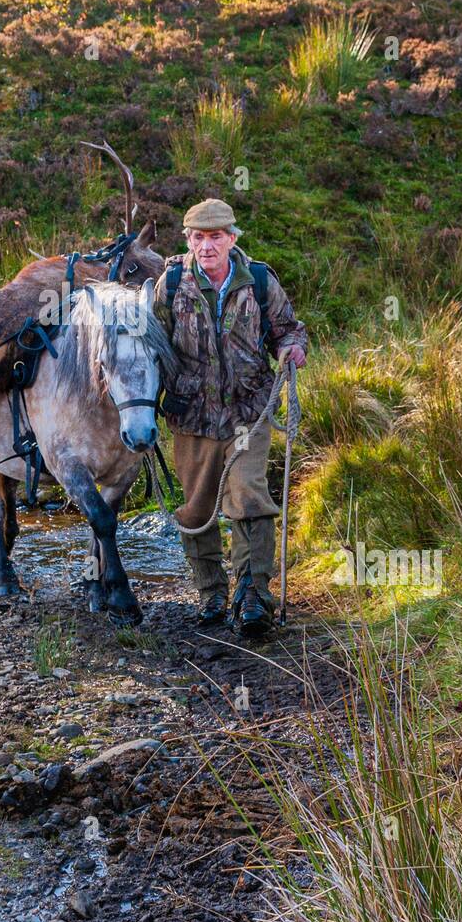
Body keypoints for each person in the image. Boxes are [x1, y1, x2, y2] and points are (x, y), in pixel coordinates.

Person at [153, 199, 307, 634]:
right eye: (198, 237)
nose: (207, 246)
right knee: (196, 508)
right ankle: (211, 593)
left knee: (248, 497)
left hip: (248, 413)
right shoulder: (169, 286)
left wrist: (291, 348)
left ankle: (252, 594)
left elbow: (289, 327)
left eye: (216, 237)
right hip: (191, 417)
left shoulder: (258, 280)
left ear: (232, 239)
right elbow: (152, 347)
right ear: (187, 240)